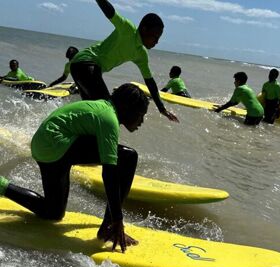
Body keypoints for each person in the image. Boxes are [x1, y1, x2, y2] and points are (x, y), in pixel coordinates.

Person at [0, 83, 149, 252]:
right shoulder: (108, 119)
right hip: (56, 144)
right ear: (126, 108)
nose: (141, 121)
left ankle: (2, 186)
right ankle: (108, 228)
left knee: (53, 213)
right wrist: (117, 219)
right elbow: (109, 175)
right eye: (140, 115)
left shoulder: (101, 107)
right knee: (129, 157)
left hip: (44, 145)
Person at [70, 0, 178, 122]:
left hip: (84, 67)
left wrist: (162, 109)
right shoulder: (127, 29)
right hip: (86, 62)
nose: (156, 42)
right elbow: (110, 12)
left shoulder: (141, 54)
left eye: (158, 38)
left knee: (91, 111)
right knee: (107, 109)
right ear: (144, 29)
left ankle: (75, 132)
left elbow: (150, 82)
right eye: (155, 37)